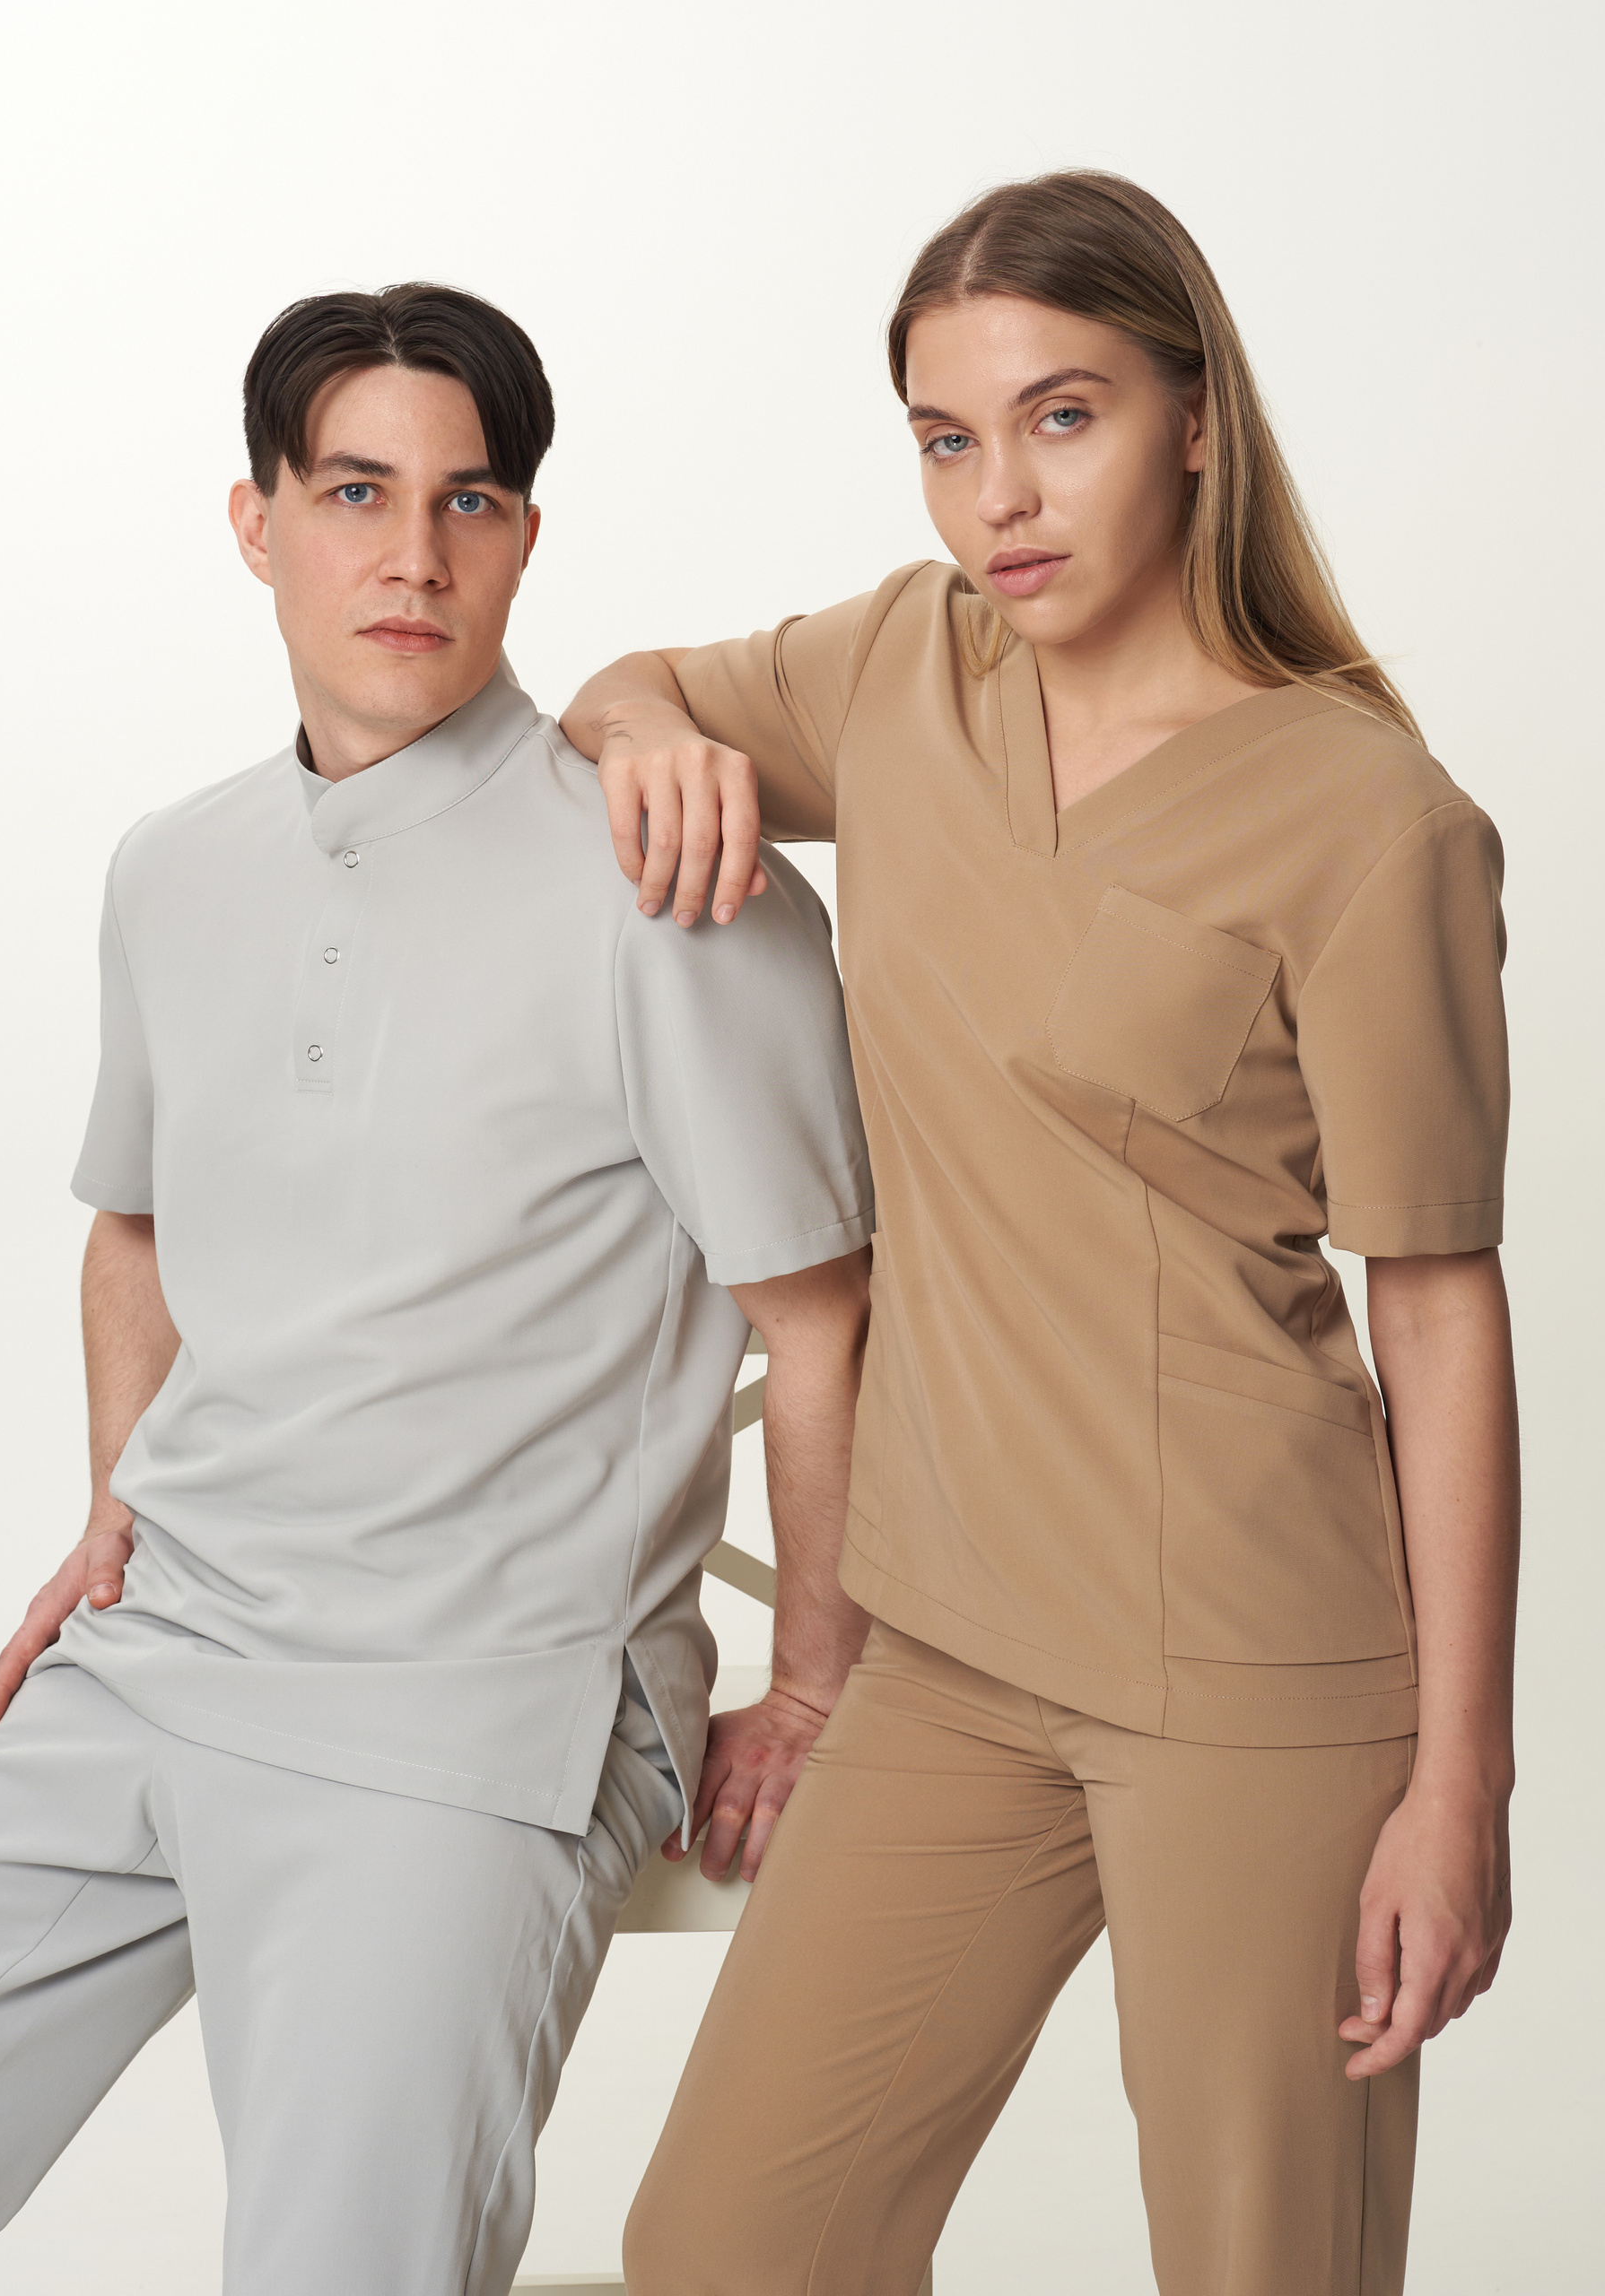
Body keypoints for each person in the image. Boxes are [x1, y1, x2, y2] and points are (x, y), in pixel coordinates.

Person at [563, 171, 1518, 2296]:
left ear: (1197, 417)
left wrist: (1462, 1783)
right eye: (946, 437)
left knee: (1267, 2267)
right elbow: (623, 685)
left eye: (1061, 417)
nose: (997, 494)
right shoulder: (906, 667)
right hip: (949, 1649)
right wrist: (655, 740)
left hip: (1250, 1664)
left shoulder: (1373, 819)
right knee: (729, 2243)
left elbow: (1442, 1311)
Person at [0, 284, 875, 2296]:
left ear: (523, 538)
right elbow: (132, 1230)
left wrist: (816, 1678)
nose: (413, 555)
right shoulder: (172, 866)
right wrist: (114, 1516)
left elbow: (823, 1321)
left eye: (468, 500)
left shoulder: (669, 880)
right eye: (355, 493)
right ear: (256, 523)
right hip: (166, 1648)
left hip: (477, 1702)